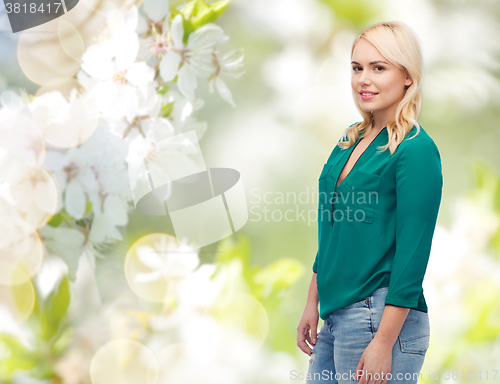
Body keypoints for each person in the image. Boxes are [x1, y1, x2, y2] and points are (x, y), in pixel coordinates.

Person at [296, 21, 443, 384]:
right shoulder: (350, 140)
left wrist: (384, 341)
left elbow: (413, 255)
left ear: (408, 76)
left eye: (379, 68)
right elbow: (333, 230)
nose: (364, 79)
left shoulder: (416, 150)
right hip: (337, 315)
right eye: (357, 68)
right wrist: (312, 302)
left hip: (377, 317)